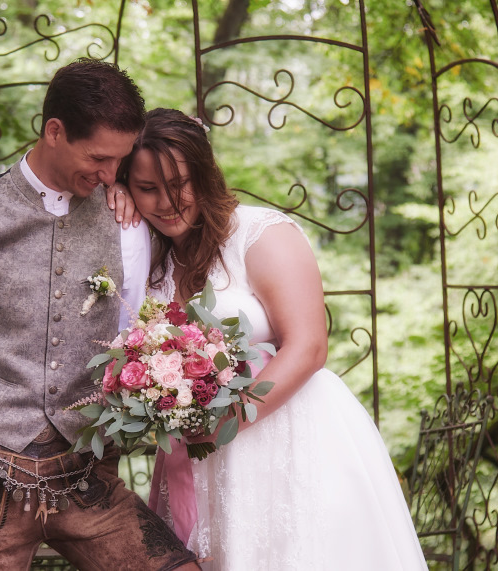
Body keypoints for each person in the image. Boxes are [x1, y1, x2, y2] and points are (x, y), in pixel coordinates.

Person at [0, 62, 200, 570]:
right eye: (98, 158)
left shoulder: (126, 225)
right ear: (54, 131)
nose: (110, 175)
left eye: (119, 161)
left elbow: (133, 341)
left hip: (89, 479)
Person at [114, 108, 428, 570]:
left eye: (180, 183)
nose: (167, 201)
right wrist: (111, 193)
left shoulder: (259, 235)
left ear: (204, 173)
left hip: (287, 434)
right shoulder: (148, 257)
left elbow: (309, 345)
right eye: (147, 188)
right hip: (196, 454)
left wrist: (230, 420)